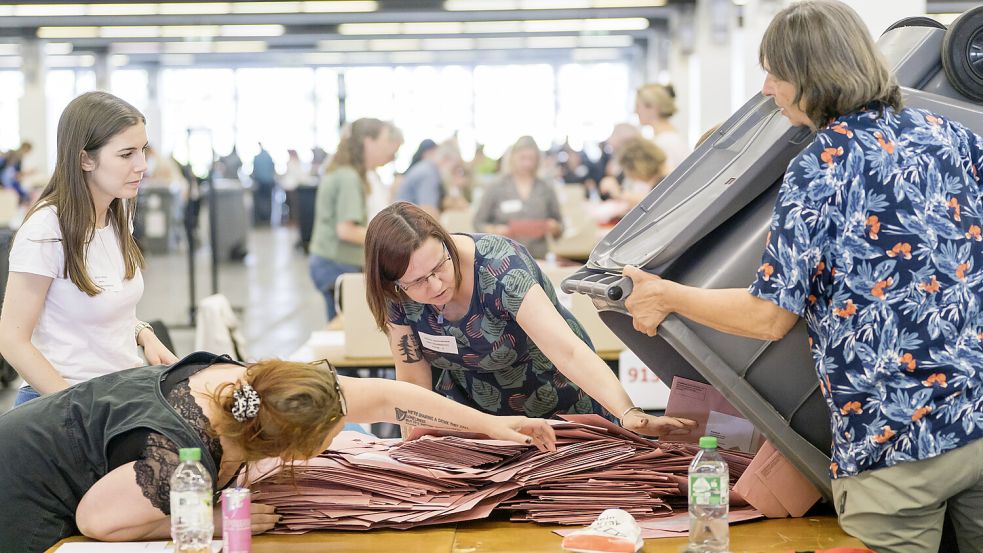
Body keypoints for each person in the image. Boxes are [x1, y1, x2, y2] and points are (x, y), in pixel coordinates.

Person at [622, 2, 983, 552]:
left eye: (775, 73)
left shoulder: (822, 163)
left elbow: (769, 317)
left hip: (897, 434)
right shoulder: (952, 136)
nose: (767, 89)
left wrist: (667, 295)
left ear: (814, 76)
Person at [0, 351, 556, 552]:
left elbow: (387, 396)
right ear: (273, 448)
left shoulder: (254, 389)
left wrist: (492, 425)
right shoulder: (179, 454)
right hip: (19, 496)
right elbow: (97, 520)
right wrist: (214, 519)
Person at [365, 202, 695, 439]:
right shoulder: (397, 296)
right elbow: (411, 378)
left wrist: (628, 413)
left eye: (439, 267)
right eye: (417, 282)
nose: (435, 286)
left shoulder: (501, 268)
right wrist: (413, 444)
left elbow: (568, 351)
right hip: (478, 421)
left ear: (446, 244)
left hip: (560, 401)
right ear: (393, 285)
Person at [0, 92, 177, 407]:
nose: (142, 165)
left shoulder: (118, 212)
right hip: (58, 404)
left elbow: (99, 307)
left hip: (116, 394)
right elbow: (12, 341)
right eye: (126, 154)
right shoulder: (45, 230)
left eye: (143, 150)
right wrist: (80, 411)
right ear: (85, 159)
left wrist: (143, 334)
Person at [309, 118, 401, 322]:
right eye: (385, 140)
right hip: (337, 264)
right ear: (368, 141)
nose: (389, 148)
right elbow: (346, 230)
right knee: (345, 328)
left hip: (335, 261)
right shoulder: (349, 177)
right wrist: (393, 238)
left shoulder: (348, 173)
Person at [473, 136, 563, 259]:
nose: (527, 163)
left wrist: (554, 227)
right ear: (513, 157)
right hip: (503, 258)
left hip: (538, 257)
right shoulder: (496, 186)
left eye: (531, 158)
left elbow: (560, 224)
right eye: (522, 158)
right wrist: (494, 230)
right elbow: (478, 222)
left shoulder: (546, 187)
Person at [395, 139, 462, 217]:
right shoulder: (429, 174)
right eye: (453, 168)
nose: (452, 173)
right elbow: (429, 212)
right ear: (445, 159)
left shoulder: (427, 167)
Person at [600, 137, 668, 210]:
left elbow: (652, 200)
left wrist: (620, 194)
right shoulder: (664, 176)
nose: (627, 174)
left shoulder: (662, 184)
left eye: (626, 169)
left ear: (635, 167)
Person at [635, 83, 689, 174]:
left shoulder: (666, 143)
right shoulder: (668, 139)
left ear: (652, 107)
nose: (635, 111)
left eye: (638, 106)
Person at [250, 143, 276, 226]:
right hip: (268, 183)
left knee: (260, 201)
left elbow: (254, 172)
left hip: (260, 183)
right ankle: (267, 220)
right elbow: (272, 170)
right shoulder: (269, 157)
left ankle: (261, 220)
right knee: (268, 201)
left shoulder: (256, 158)